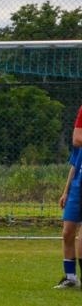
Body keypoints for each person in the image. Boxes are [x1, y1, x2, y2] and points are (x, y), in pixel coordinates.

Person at [57, 103, 82, 288]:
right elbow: (74, 164)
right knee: (67, 233)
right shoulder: (79, 140)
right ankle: (71, 278)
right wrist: (66, 191)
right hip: (77, 186)